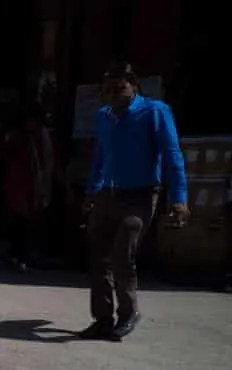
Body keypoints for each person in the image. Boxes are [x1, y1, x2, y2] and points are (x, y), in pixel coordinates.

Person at [81, 62, 189, 340]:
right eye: (107, 91)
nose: (113, 96)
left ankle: (128, 313)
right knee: (98, 256)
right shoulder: (104, 116)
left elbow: (172, 155)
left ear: (134, 86)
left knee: (121, 254)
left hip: (140, 195)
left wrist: (179, 198)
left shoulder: (154, 111)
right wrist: (91, 193)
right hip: (108, 194)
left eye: (119, 89)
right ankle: (103, 319)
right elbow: (100, 158)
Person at [1, 104, 54, 272]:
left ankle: (24, 254)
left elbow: (50, 161)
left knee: (31, 220)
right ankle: (18, 254)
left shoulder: (44, 137)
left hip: (35, 185)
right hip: (18, 184)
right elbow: (3, 158)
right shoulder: (16, 138)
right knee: (20, 220)